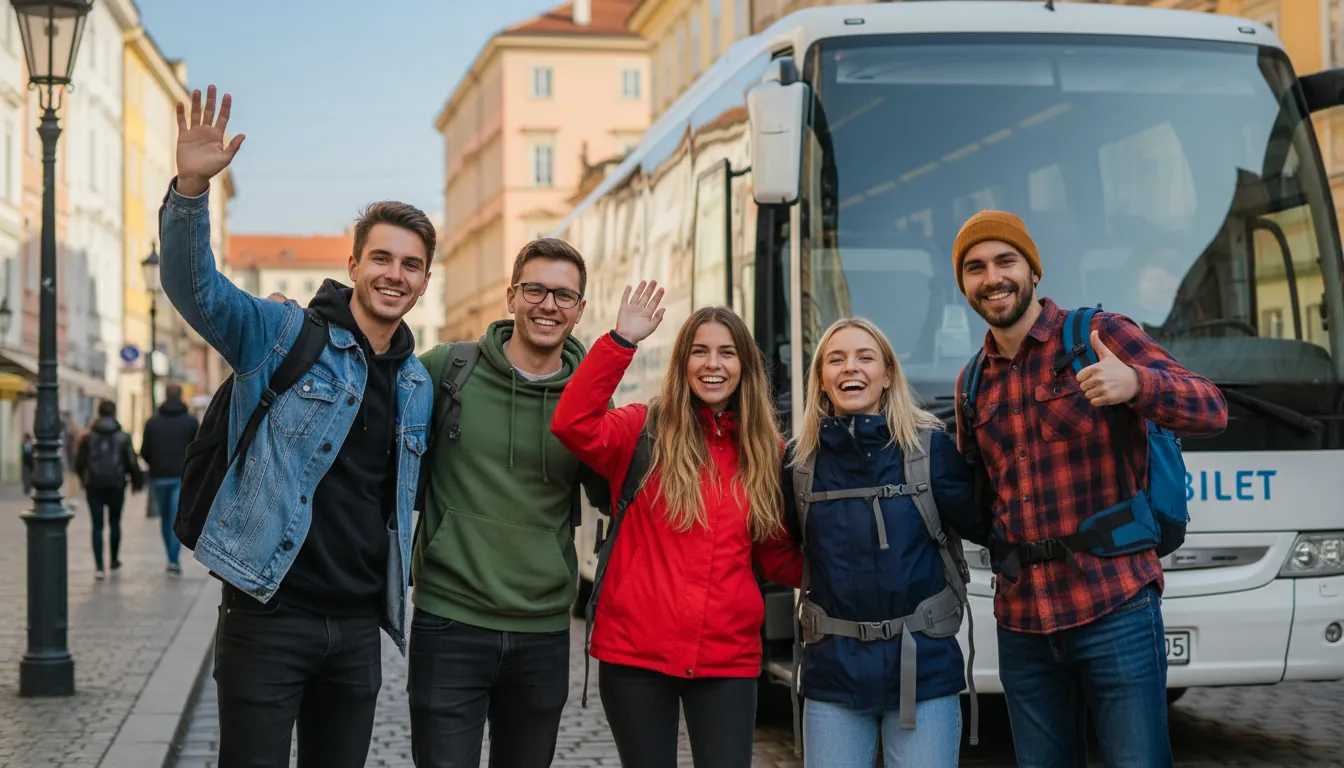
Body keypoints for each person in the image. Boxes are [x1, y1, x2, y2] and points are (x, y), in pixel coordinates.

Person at [160, 85, 435, 768]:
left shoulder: (419, 385)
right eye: (381, 257)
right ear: (353, 265)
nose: (393, 275)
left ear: (425, 280)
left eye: (409, 264)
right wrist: (191, 191)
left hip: (356, 629)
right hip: (267, 613)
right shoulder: (284, 334)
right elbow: (197, 292)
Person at [951, 210, 1227, 766]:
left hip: (1116, 605)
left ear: (1034, 270)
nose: (992, 277)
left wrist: (1137, 384)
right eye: (975, 268)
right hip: (1023, 623)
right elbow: (982, 497)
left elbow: (1212, 408)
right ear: (964, 284)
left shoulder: (1099, 333)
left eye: (1006, 261)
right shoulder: (971, 381)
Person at [549, 282, 803, 768]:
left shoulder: (765, 452)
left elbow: (773, 551)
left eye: (727, 353)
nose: (713, 364)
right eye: (700, 352)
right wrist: (620, 343)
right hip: (635, 657)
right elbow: (572, 423)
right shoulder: (640, 429)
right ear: (682, 363)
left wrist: (842, 579)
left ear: (745, 365)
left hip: (726, 659)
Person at [407, 237, 609, 768]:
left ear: (580, 309)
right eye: (535, 290)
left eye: (564, 296)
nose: (548, 305)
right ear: (511, 297)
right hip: (449, 620)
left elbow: (615, 494)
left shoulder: (589, 399)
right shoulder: (447, 370)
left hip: (542, 629)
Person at [784, 317, 981, 767]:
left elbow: (986, 522)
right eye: (836, 359)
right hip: (833, 677)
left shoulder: (932, 451)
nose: (850, 368)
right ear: (821, 379)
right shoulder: (798, 464)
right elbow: (785, 546)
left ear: (887, 374)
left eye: (864, 357)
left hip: (923, 674)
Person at [74, 400, 145, 580]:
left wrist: (84, 480)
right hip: (116, 485)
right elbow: (131, 462)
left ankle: (99, 566)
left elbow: (79, 463)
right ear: (114, 413)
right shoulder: (123, 437)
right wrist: (136, 483)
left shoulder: (87, 437)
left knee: (97, 525)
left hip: (94, 486)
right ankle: (113, 560)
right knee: (115, 522)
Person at [139, 383, 200, 574]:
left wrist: (156, 463)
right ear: (181, 396)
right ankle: (173, 559)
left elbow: (144, 451)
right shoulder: (191, 421)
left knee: (165, 518)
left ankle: (171, 557)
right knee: (176, 517)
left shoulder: (152, 422)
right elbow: (198, 448)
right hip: (182, 476)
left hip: (158, 477)